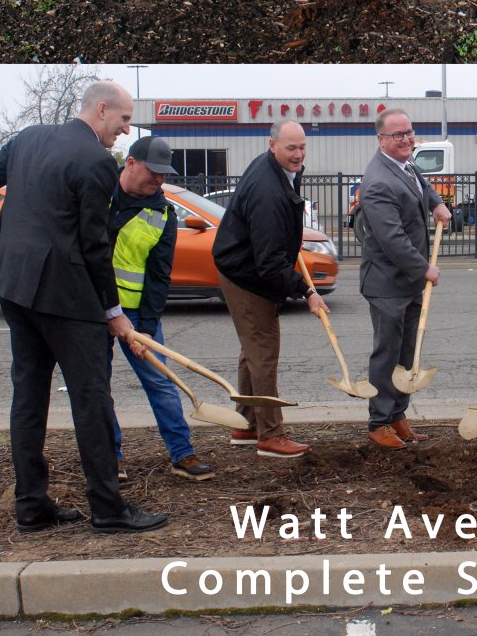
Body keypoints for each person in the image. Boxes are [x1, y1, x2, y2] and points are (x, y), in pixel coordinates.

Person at [0, 81, 168, 534]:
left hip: (13, 288)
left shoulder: (29, 137)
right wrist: (113, 313)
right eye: (124, 119)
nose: (125, 129)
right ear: (100, 110)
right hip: (68, 300)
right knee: (91, 399)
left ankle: (31, 507)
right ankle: (109, 509)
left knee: (29, 398)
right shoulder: (96, 161)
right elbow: (94, 246)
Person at [211, 120, 327, 458]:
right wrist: (307, 291)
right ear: (272, 145)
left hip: (245, 267)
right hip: (246, 276)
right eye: (291, 148)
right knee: (263, 351)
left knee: (252, 350)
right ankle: (270, 435)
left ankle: (245, 425)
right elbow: (270, 264)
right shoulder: (268, 192)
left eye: (302, 146)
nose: (298, 154)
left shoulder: (276, 170)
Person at [107, 135, 215, 483]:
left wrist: (147, 329)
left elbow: (158, 276)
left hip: (137, 313)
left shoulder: (162, 213)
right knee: (96, 387)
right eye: (153, 171)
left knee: (162, 381)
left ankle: (182, 454)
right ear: (131, 163)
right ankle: (110, 458)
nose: (158, 179)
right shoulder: (99, 195)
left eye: (163, 174)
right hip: (93, 309)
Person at [358, 108, 452, 449]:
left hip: (408, 282)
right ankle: (379, 421)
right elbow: (391, 238)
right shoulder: (377, 181)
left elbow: (419, 183)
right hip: (387, 282)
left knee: (407, 352)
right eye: (398, 135)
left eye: (409, 132)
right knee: (387, 353)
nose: (406, 139)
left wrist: (436, 203)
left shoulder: (404, 163)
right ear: (381, 139)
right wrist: (424, 268)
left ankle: (398, 414)